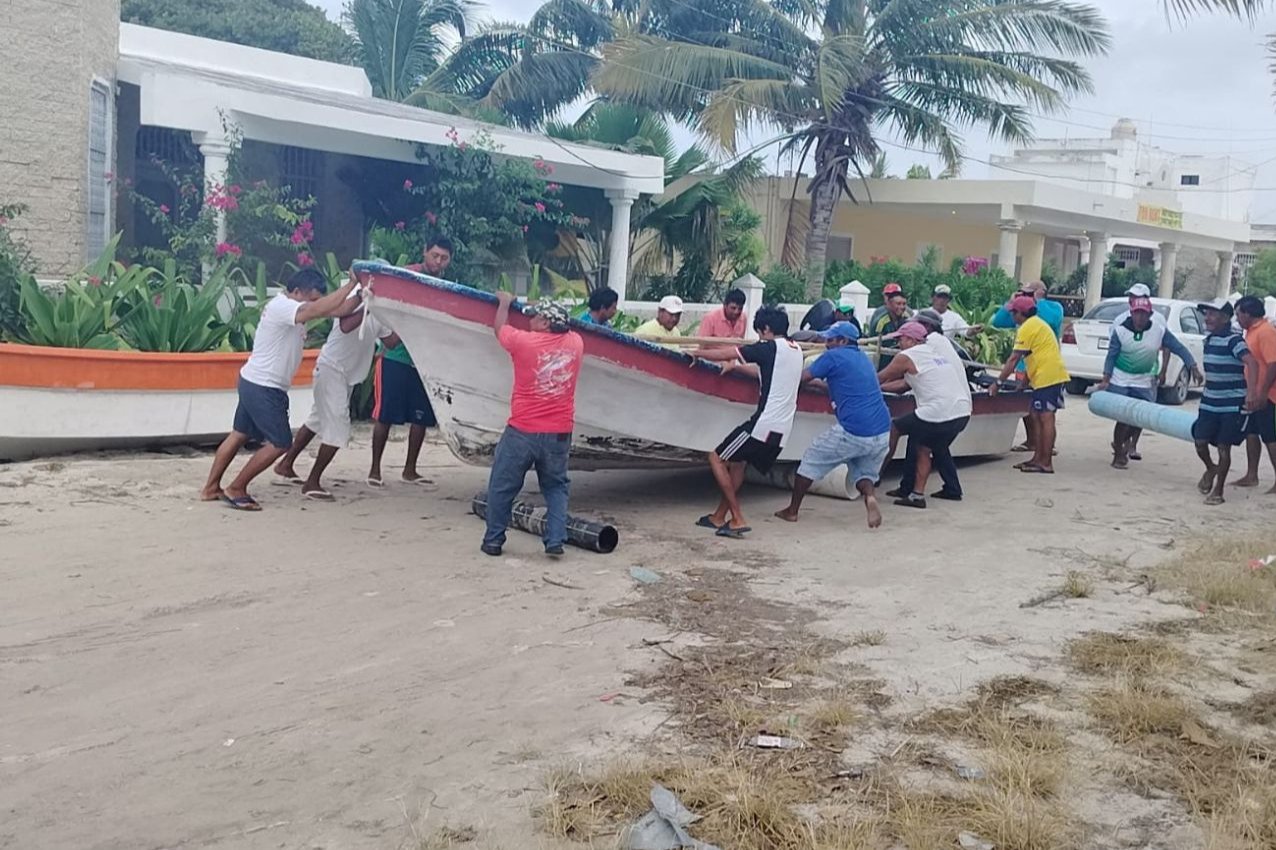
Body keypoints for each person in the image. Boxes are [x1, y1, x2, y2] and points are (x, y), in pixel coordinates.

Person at [200, 268, 361, 510]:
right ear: (297, 292)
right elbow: (315, 309)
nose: (315, 305)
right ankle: (237, 487)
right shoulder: (283, 306)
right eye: (312, 298)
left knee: (238, 435)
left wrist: (364, 295)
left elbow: (338, 309)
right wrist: (350, 286)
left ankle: (211, 488)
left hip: (254, 380)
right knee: (280, 443)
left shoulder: (293, 306)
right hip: (265, 386)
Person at [481, 293, 585, 557]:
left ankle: (493, 541)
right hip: (559, 432)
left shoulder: (523, 342)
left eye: (536, 317)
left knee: (502, 485)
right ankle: (555, 540)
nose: (530, 319)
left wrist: (504, 303)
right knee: (556, 486)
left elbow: (499, 329)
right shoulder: (576, 343)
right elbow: (570, 328)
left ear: (547, 323)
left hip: (522, 430)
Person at [273, 281, 393, 500]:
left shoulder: (381, 309)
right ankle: (312, 482)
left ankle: (286, 464)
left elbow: (391, 342)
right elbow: (346, 326)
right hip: (332, 367)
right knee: (338, 429)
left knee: (316, 421)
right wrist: (372, 305)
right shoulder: (355, 300)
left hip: (345, 374)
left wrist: (402, 319)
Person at [694, 306, 804, 538]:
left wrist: (698, 354)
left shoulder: (768, 348)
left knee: (716, 457)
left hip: (762, 425)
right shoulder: (796, 350)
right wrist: (737, 368)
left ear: (765, 329)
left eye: (759, 331)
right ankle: (718, 516)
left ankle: (737, 518)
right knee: (738, 463)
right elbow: (765, 374)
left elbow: (728, 353)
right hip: (781, 431)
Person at [774, 322, 890, 528]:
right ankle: (870, 498)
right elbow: (842, 383)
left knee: (810, 460)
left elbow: (802, 378)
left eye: (830, 340)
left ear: (843, 341)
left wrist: (773, 379)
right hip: (882, 430)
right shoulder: (864, 359)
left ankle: (792, 511)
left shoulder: (833, 357)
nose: (826, 344)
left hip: (854, 429)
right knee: (863, 473)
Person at [368, 237, 453, 488]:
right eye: (435, 255)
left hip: (424, 360)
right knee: (384, 416)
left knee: (421, 418)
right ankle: (374, 469)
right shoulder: (404, 276)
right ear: (425, 253)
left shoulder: (444, 286)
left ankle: (410, 470)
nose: (438, 261)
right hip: (395, 356)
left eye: (443, 257)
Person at [1094, 296, 1201, 469]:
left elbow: (1178, 347)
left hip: (1144, 380)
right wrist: (1106, 379)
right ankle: (1119, 452)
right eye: (1137, 313)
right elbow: (1111, 356)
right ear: (1132, 313)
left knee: (1139, 419)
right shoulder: (1120, 331)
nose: (1140, 318)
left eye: (1144, 314)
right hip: (1121, 379)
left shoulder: (1159, 330)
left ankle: (1121, 443)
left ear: (1150, 314)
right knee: (1123, 417)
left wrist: (1193, 365)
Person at [875, 321, 972, 508]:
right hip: (961, 413)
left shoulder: (906, 356)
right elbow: (904, 385)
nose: (898, 344)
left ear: (911, 340)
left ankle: (878, 471)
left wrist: (869, 387)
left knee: (897, 429)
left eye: (900, 339)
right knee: (930, 447)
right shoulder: (934, 354)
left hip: (938, 412)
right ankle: (935, 491)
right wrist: (879, 389)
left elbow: (880, 377)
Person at [990, 295, 1070, 474]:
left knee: (1045, 418)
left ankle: (1046, 462)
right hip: (1047, 375)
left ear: (1020, 314)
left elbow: (1013, 359)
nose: (1011, 316)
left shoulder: (1027, 327)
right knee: (1036, 415)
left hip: (1048, 377)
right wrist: (1023, 384)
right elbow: (1032, 356)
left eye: (1013, 313)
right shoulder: (1037, 324)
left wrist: (998, 382)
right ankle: (1038, 458)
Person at [1192, 299, 1255, 505]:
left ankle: (1218, 491)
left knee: (1223, 447)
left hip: (1231, 404)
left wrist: (1251, 394)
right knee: (1200, 442)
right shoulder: (1209, 340)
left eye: (1212, 314)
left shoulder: (1234, 341)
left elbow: (1251, 363)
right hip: (1209, 402)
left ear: (1225, 318)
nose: (1207, 318)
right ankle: (1212, 468)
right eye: (1207, 314)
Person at [1233, 295, 1276, 491]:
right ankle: (1252, 475)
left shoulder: (1266, 332)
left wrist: (1263, 392)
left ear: (1247, 313)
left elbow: (1273, 364)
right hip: (1254, 392)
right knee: (1252, 432)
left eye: (1238, 314)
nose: (1237, 318)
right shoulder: (1250, 331)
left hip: (1268, 395)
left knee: (1270, 436)